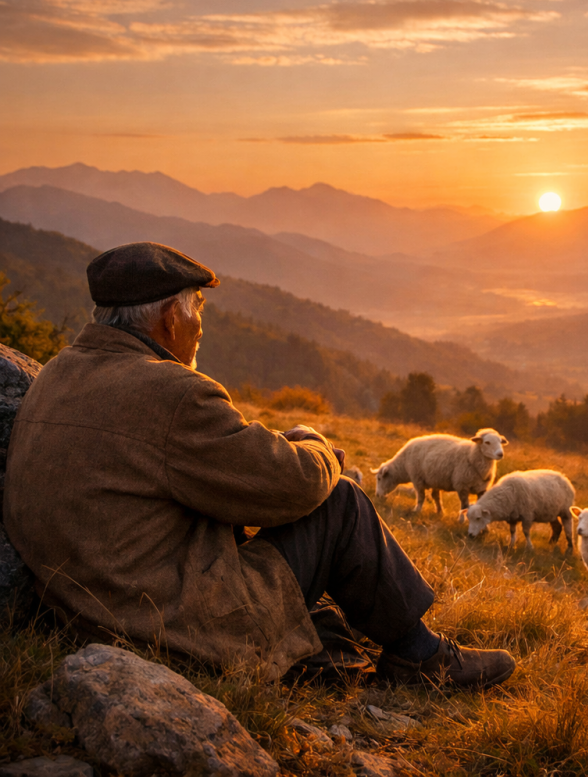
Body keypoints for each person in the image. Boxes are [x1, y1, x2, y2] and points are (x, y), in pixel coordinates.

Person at [3, 242, 514, 688]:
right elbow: (294, 484)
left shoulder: (57, 374)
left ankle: (342, 642)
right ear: (170, 318)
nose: (201, 325)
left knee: (314, 587)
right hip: (170, 626)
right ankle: (420, 656)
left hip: (88, 614)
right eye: (198, 307)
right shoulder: (172, 392)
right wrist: (315, 446)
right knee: (339, 501)